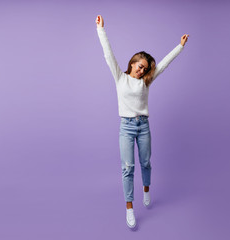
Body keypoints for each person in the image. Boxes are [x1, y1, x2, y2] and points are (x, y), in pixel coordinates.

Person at [95, 14, 189, 229]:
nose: (142, 70)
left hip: (143, 126)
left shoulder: (145, 82)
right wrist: (101, 29)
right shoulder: (120, 77)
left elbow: (163, 65)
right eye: (140, 66)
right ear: (133, 62)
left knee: (145, 163)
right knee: (128, 167)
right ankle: (129, 208)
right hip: (126, 127)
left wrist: (180, 46)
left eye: (145, 69)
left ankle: (146, 189)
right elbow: (108, 54)